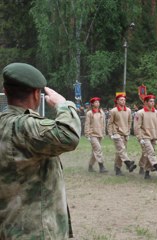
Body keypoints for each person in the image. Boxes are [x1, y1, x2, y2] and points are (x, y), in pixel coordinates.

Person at [0, 63, 81, 239]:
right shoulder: (23, 126)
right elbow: (69, 135)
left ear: (5, 91)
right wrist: (63, 105)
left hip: (8, 225)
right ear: (37, 94)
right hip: (34, 230)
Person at [134, 94, 157, 179]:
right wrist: (140, 137)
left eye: (153, 101)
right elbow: (137, 126)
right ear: (145, 102)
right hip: (145, 137)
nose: (152, 103)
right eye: (150, 101)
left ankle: (147, 172)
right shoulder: (140, 113)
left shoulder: (156, 113)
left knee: (147, 154)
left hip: (153, 137)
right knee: (150, 152)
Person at [107, 94, 136, 176]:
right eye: (121, 99)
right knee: (122, 149)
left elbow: (130, 121)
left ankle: (117, 168)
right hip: (117, 134)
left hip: (125, 134)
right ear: (117, 101)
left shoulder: (129, 110)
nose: (123, 101)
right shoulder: (113, 111)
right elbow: (110, 123)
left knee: (120, 152)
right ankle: (128, 163)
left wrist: (128, 131)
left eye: (124, 100)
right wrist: (110, 134)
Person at [84, 97, 107, 173]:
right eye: (96, 102)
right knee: (98, 149)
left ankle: (90, 166)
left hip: (100, 134)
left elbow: (103, 123)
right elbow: (87, 124)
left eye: (98, 102)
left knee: (95, 152)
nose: (98, 103)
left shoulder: (101, 112)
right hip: (92, 134)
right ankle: (101, 166)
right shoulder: (89, 113)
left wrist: (103, 133)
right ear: (92, 104)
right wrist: (87, 135)